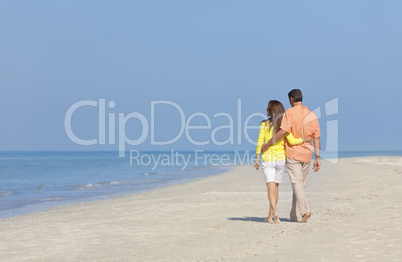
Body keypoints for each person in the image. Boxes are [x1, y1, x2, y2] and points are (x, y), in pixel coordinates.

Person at [261, 89, 320, 223]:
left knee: (296, 184)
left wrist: (268, 144)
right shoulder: (312, 115)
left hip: (293, 153)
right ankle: (294, 215)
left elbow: (284, 131)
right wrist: (317, 158)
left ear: (291, 99)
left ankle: (305, 211)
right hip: (307, 154)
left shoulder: (290, 112)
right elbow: (316, 138)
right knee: (300, 185)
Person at [253, 100, 311, 224]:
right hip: (280, 159)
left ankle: (276, 213)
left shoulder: (264, 124)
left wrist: (257, 158)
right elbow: (292, 141)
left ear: (271, 110)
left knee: (270, 187)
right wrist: (304, 139)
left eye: (267, 108)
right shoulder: (283, 126)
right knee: (276, 188)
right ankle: (270, 215)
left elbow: (260, 141)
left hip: (268, 159)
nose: (266, 110)